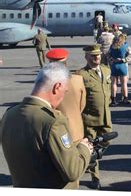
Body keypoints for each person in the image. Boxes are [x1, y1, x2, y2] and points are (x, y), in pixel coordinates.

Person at [0, 63, 93, 189]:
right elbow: (73, 171)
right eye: (65, 92)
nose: (63, 97)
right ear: (57, 87)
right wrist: (84, 149)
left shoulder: (9, 115)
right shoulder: (52, 121)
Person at [77, 44, 113, 190]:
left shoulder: (106, 70)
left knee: (106, 142)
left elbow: (108, 89)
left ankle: (87, 160)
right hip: (89, 118)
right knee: (93, 148)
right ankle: (95, 177)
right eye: (93, 55)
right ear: (86, 57)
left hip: (105, 117)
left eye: (98, 55)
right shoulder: (81, 75)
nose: (96, 57)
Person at [46, 49, 86, 145]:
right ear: (66, 64)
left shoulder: (45, 84)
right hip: (76, 129)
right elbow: (82, 105)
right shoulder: (78, 80)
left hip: (55, 131)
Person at [108, 34, 131, 105]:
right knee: (124, 83)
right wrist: (124, 60)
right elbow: (130, 55)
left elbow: (108, 55)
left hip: (114, 65)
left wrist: (112, 60)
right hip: (122, 65)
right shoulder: (126, 46)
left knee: (113, 83)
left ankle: (113, 99)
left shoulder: (112, 46)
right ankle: (125, 98)